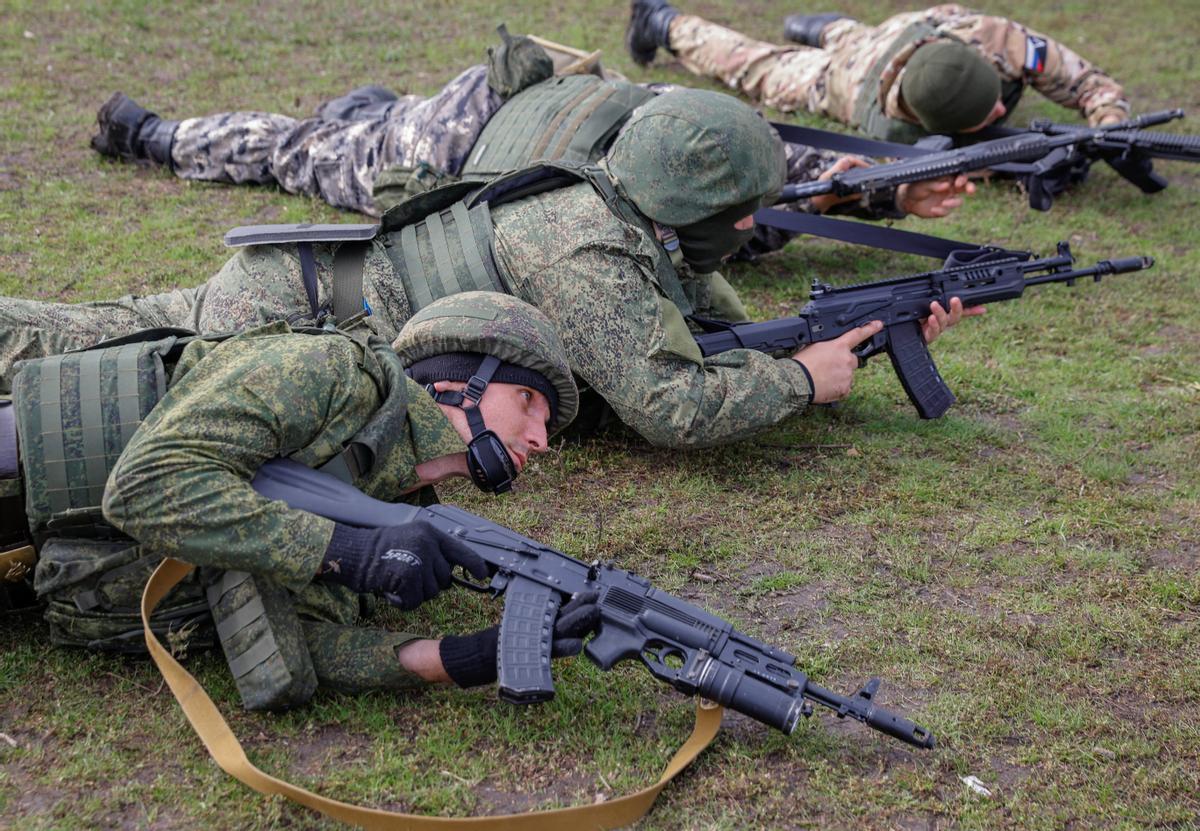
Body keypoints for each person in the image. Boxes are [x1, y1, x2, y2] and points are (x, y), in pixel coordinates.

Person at [1, 90, 977, 450]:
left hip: (315, 285)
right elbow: (673, 405)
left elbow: (698, 316)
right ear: (691, 207)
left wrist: (831, 333)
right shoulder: (585, 249)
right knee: (90, 375)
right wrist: (800, 382)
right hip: (298, 324)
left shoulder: (615, 204)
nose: (756, 224)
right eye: (744, 212)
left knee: (90, 332)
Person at [1, 291, 598, 706]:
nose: (542, 441)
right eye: (527, 401)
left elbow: (301, 643)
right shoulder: (328, 373)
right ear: (454, 382)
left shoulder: (395, 509)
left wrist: (468, 656)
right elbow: (144, 486)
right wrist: (350, 554)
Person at [87, 27, 970, 229]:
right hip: (453, 148)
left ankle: (366, 106)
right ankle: (149, 134)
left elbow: (769, 161)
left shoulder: (692, 153)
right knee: (300, 153)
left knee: (337, 135)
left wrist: (895, 182)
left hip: (536, 103)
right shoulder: (634, 202)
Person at [626, 1, 1131, 143]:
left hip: (921, 28)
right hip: (854, 68)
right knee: (761, 70)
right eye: (987, 114)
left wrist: (1109, 127)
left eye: (995, 100)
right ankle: (663, 20)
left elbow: (1089, 82)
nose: (1003, 109)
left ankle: (830, 27)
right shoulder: (877, 113)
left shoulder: (995, 38)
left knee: (863, 35)